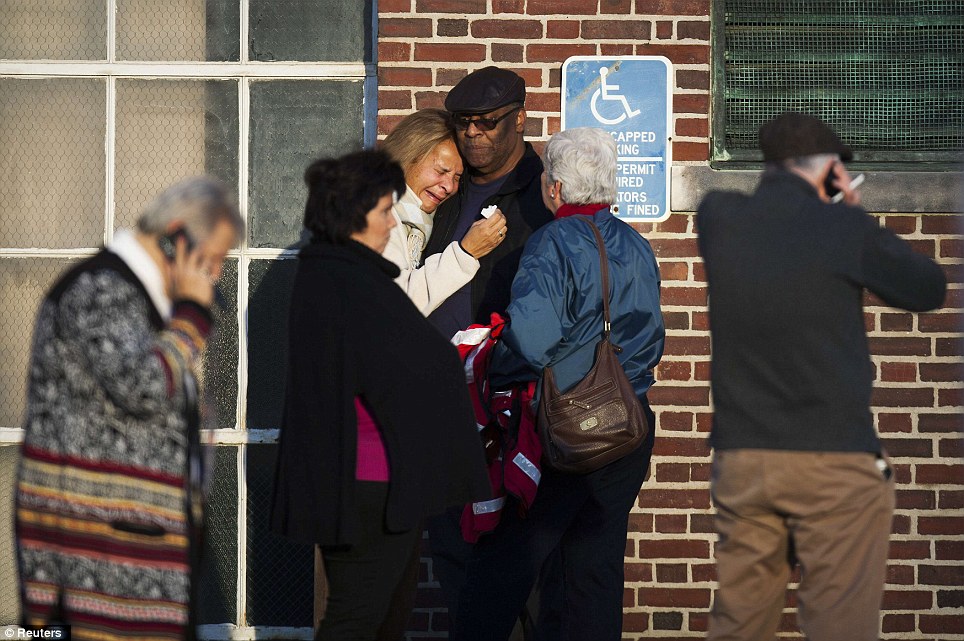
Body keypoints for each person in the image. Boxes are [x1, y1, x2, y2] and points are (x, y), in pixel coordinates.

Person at [697, 112, 947, 641]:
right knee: (839, 623)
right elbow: (927, 289)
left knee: (740, 623)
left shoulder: (719, 217)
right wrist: (854, 213)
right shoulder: (844, 227)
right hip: (834, 459)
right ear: (832, 170)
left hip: (744, 459)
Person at [452, 127, 666, 641]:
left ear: (556, 188)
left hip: (564, 431)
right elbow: (651, 338)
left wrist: (488, 357)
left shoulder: (551, 243)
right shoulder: (637, 245)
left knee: (506, 563)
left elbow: (532, 338)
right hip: (629, 426)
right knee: (592, 573)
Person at [269, 150, 490, 641]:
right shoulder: (344, 280)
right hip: (365, 481)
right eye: (385, 211)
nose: (393, 223)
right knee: (357, 616)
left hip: (382, 477)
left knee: (384, 615)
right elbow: (394, 367)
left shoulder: (346, 274)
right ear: (353, 214)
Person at [15, 177, 244, 640]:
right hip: (95, 559)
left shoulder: (142, 302)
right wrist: (192, 319)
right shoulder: (102, 289)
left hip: (130, 552)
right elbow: (142, 386)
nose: (216, 274)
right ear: (177, 237)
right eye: (214, 258)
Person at [420, 65, 555, 632]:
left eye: (488, 123)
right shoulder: (442, 191)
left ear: (520, 118)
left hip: (508, 407)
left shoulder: (541, 196)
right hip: (441, 405)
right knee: (453, 549)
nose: (474, 135)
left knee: (519, 562)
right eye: (465, 124)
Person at [380, 108, 508, 315]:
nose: (449, 186)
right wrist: (466, 253)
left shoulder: (419, 221)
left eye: (457, 177)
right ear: (407, 157)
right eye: (441, 171)